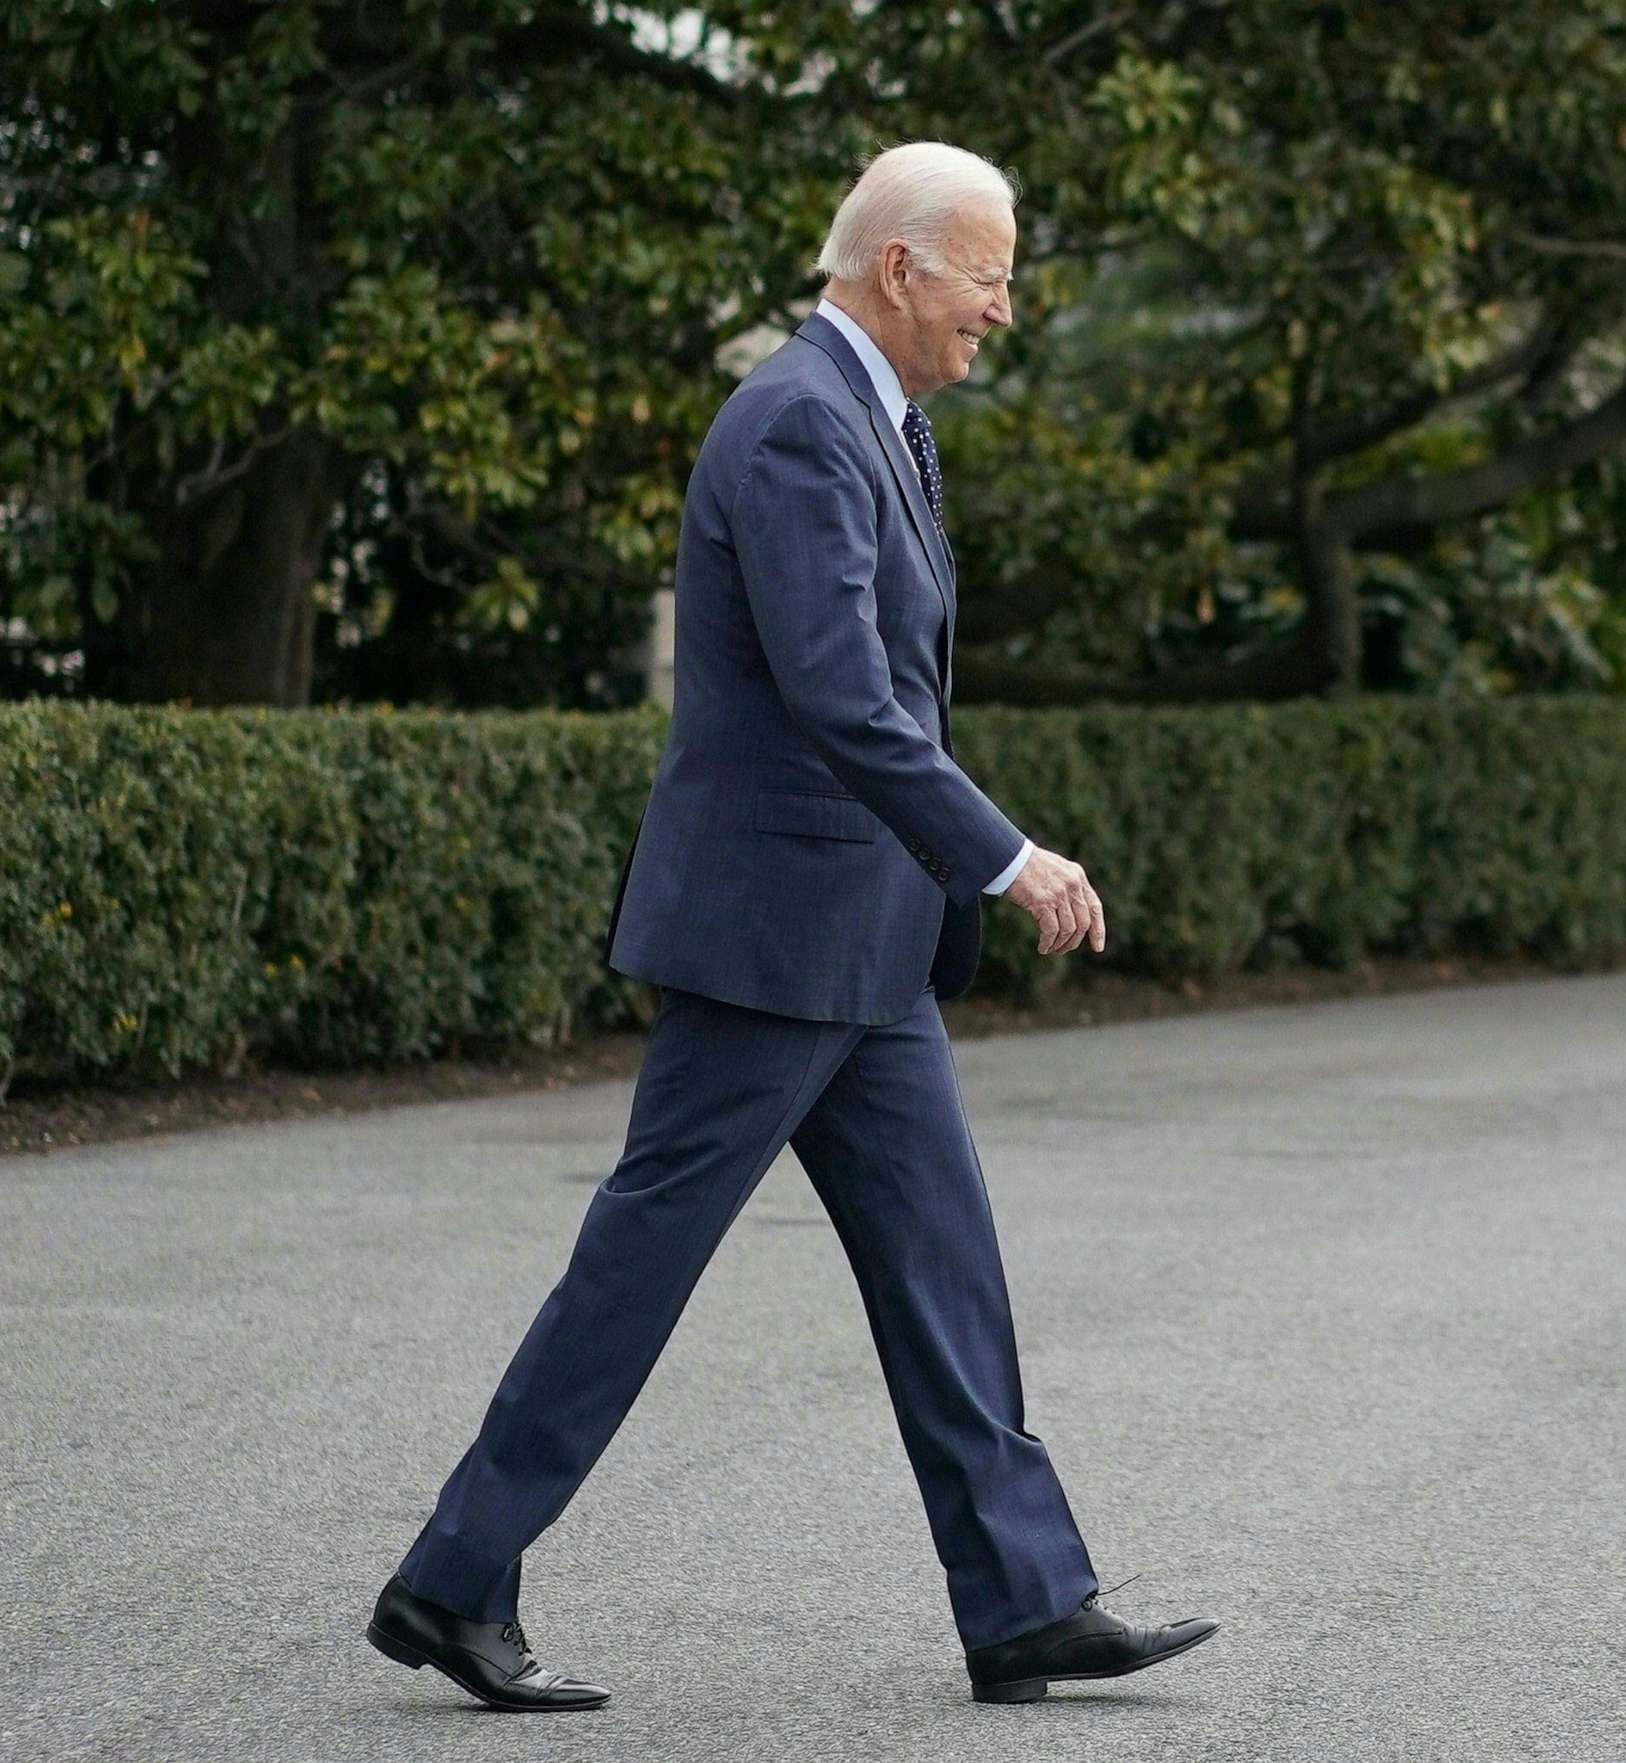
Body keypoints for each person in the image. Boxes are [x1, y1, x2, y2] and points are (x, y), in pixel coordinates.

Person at [364, 141, 1217, 1712]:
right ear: (901, 268)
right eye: (991, 277)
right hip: (775, 946)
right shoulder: (797, 425)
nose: (1003, 313)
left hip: (861, 946)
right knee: (636, 1270)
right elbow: (844, 697)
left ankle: (1027, 1599)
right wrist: (1005, 857)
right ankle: (453, 1578)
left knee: (945, 1265)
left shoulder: (869, 421)